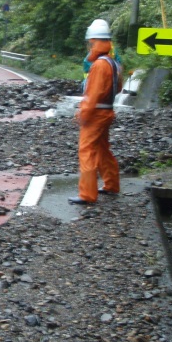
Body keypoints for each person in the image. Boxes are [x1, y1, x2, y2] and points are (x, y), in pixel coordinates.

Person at [69, 19, 122, 205]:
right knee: (102, 149)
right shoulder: (113, 62)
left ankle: (87, 194)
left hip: (96, 114)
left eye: (89, 42)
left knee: (87, 151)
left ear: (93, 41)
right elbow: (119, 88)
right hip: (107, 112)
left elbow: (93, 94)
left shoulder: (99, 65)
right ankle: (111, 184)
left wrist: (83, 113)